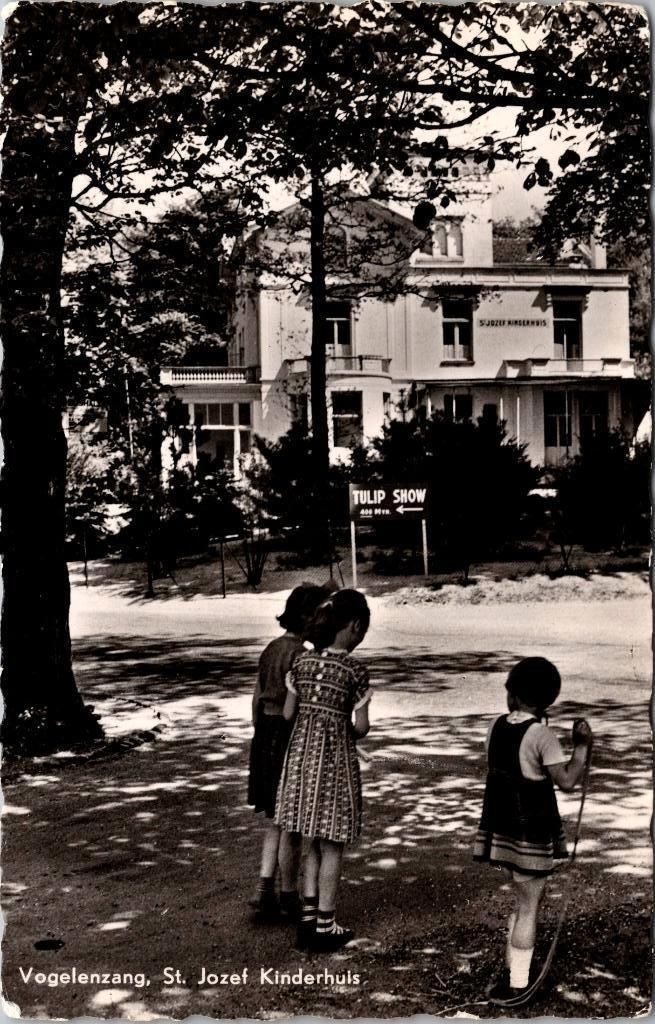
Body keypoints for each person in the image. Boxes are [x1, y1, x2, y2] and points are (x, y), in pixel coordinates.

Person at [473, 656, 593, 1004]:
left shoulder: (495, 726)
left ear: (512, 694)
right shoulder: (542, 735)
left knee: (522, 900)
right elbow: (568, 780)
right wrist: (581, 747)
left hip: (502, 831)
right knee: (529, 906)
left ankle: (513, 968)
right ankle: (518, 983)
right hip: (530, 836)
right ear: (548, 699)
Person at [275, 589, 372, 952]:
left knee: (310, 841)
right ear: (356, 626)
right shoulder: (354, 671)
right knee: (333, 844)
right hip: (334, 765)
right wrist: (339, 724)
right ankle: (326, 924)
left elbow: (287, 714)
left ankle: (307, 919)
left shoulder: (300, 664)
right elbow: (361, 727)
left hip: (300, 762)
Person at [248, 584, 328, 923]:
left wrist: (259, 735)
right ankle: (289, 893)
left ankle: (265, 886)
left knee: (274, 819)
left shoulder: (270, 649)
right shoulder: (303, 655)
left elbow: (256, 699)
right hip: (288, 735)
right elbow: (300, 707)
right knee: (291, 820)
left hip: (264, 735)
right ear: (309, 617)